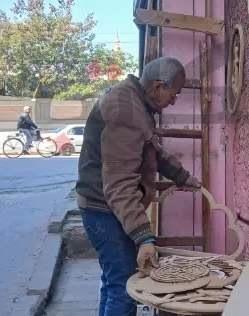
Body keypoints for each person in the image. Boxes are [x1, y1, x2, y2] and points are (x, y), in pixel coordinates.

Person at [76, 57, 201, 316]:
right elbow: (119, 183)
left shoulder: (134, 101)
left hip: (106, 206)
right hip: (104, 209)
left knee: (114, 282)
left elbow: (150, 149)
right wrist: (144, 237)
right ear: (158, 86)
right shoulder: (126, 110)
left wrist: (180, 176)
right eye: (174, 94)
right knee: (124, 288)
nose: (174, 101)